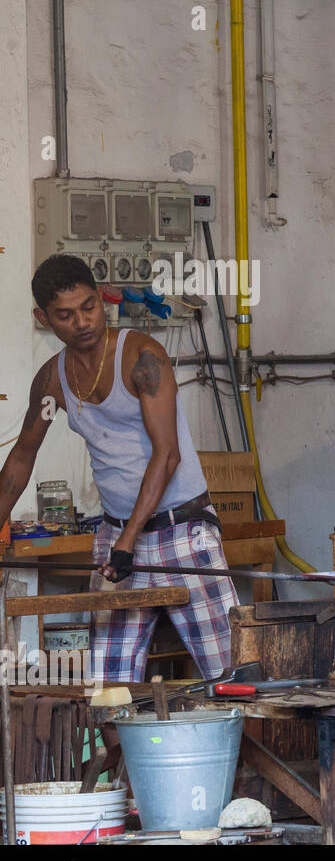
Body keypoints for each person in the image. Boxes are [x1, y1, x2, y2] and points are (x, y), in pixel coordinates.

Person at [0, 254, 236, 682]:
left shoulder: (142, 357)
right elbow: (22, 456)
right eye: (65, 315)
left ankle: (235, 751)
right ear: (43, 317)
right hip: (116, 537)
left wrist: (130, 538)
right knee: (109, 689)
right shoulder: (52, 380)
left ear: (101, 298)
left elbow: (167, 454)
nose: (83, 322)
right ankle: (119, 752)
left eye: (89, 306)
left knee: (231, 677)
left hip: (181, 533)